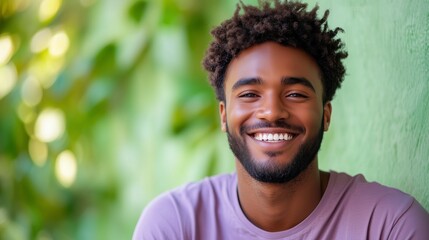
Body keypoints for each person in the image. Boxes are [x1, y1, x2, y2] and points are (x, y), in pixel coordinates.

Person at [133, 0, 429, 239]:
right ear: (223, 115)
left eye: (296, 94)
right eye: (250, 94)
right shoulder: (174, 225)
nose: (272, 112)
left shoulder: (390, 226)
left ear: (326, 115)